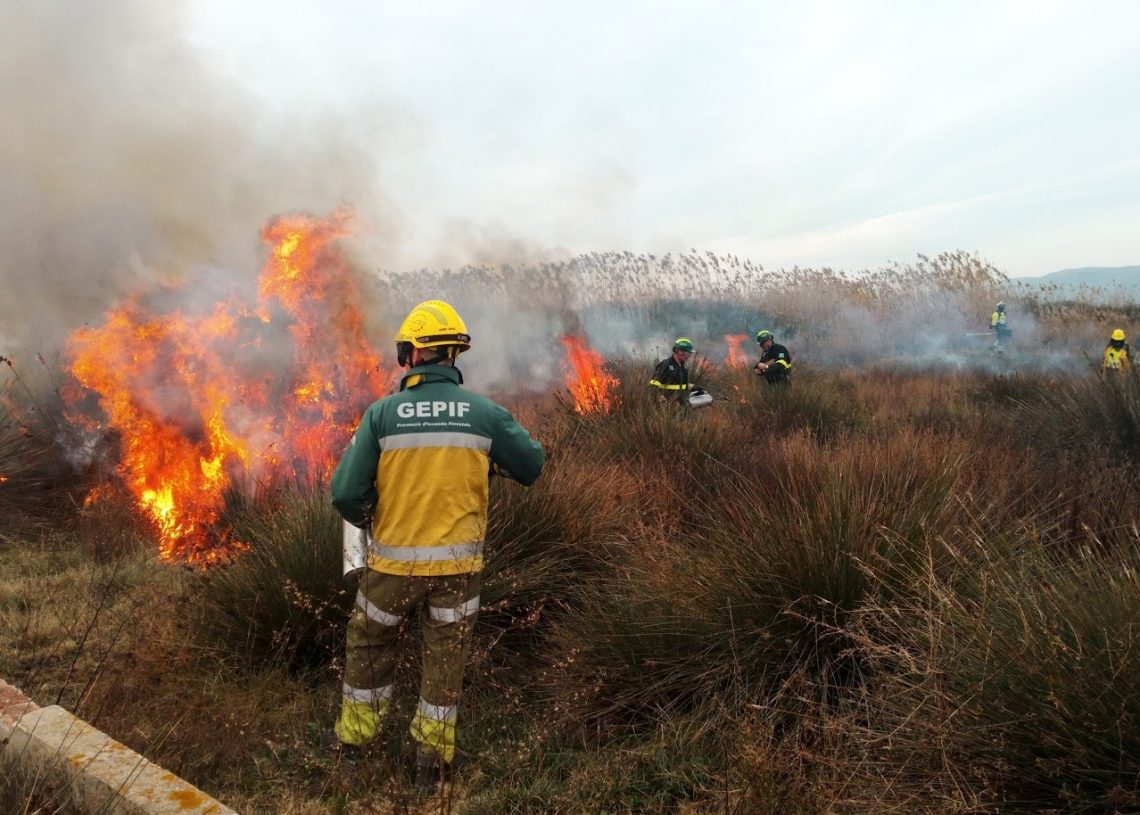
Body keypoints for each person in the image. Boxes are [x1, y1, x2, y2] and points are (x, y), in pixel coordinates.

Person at [330, 299, 544, 792]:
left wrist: (372, 518)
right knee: (446, 659)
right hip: (458, 568)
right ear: (453, 354)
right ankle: (432, 761)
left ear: (411, 353)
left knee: (369, 645)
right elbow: (531, 465)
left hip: (391, 568)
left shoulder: (381, 415)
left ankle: (355, 747)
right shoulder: (485, 413)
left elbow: (345, 493)